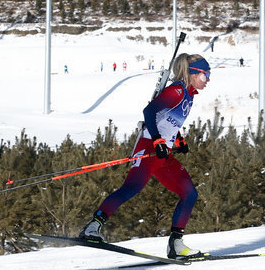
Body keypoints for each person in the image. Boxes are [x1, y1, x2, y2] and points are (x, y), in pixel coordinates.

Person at [79, 53, 211, 260]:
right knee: (131, 188)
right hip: (149, 147)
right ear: (193, 73)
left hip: (163, 154)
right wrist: (158, 140)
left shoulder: (189, 94)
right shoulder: (177, 90)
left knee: (189, 194)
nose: (208, 79)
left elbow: (167, 120)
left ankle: (176, 245)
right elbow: (149, 112)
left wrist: (178, 139)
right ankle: (91, 229)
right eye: (205, 75)